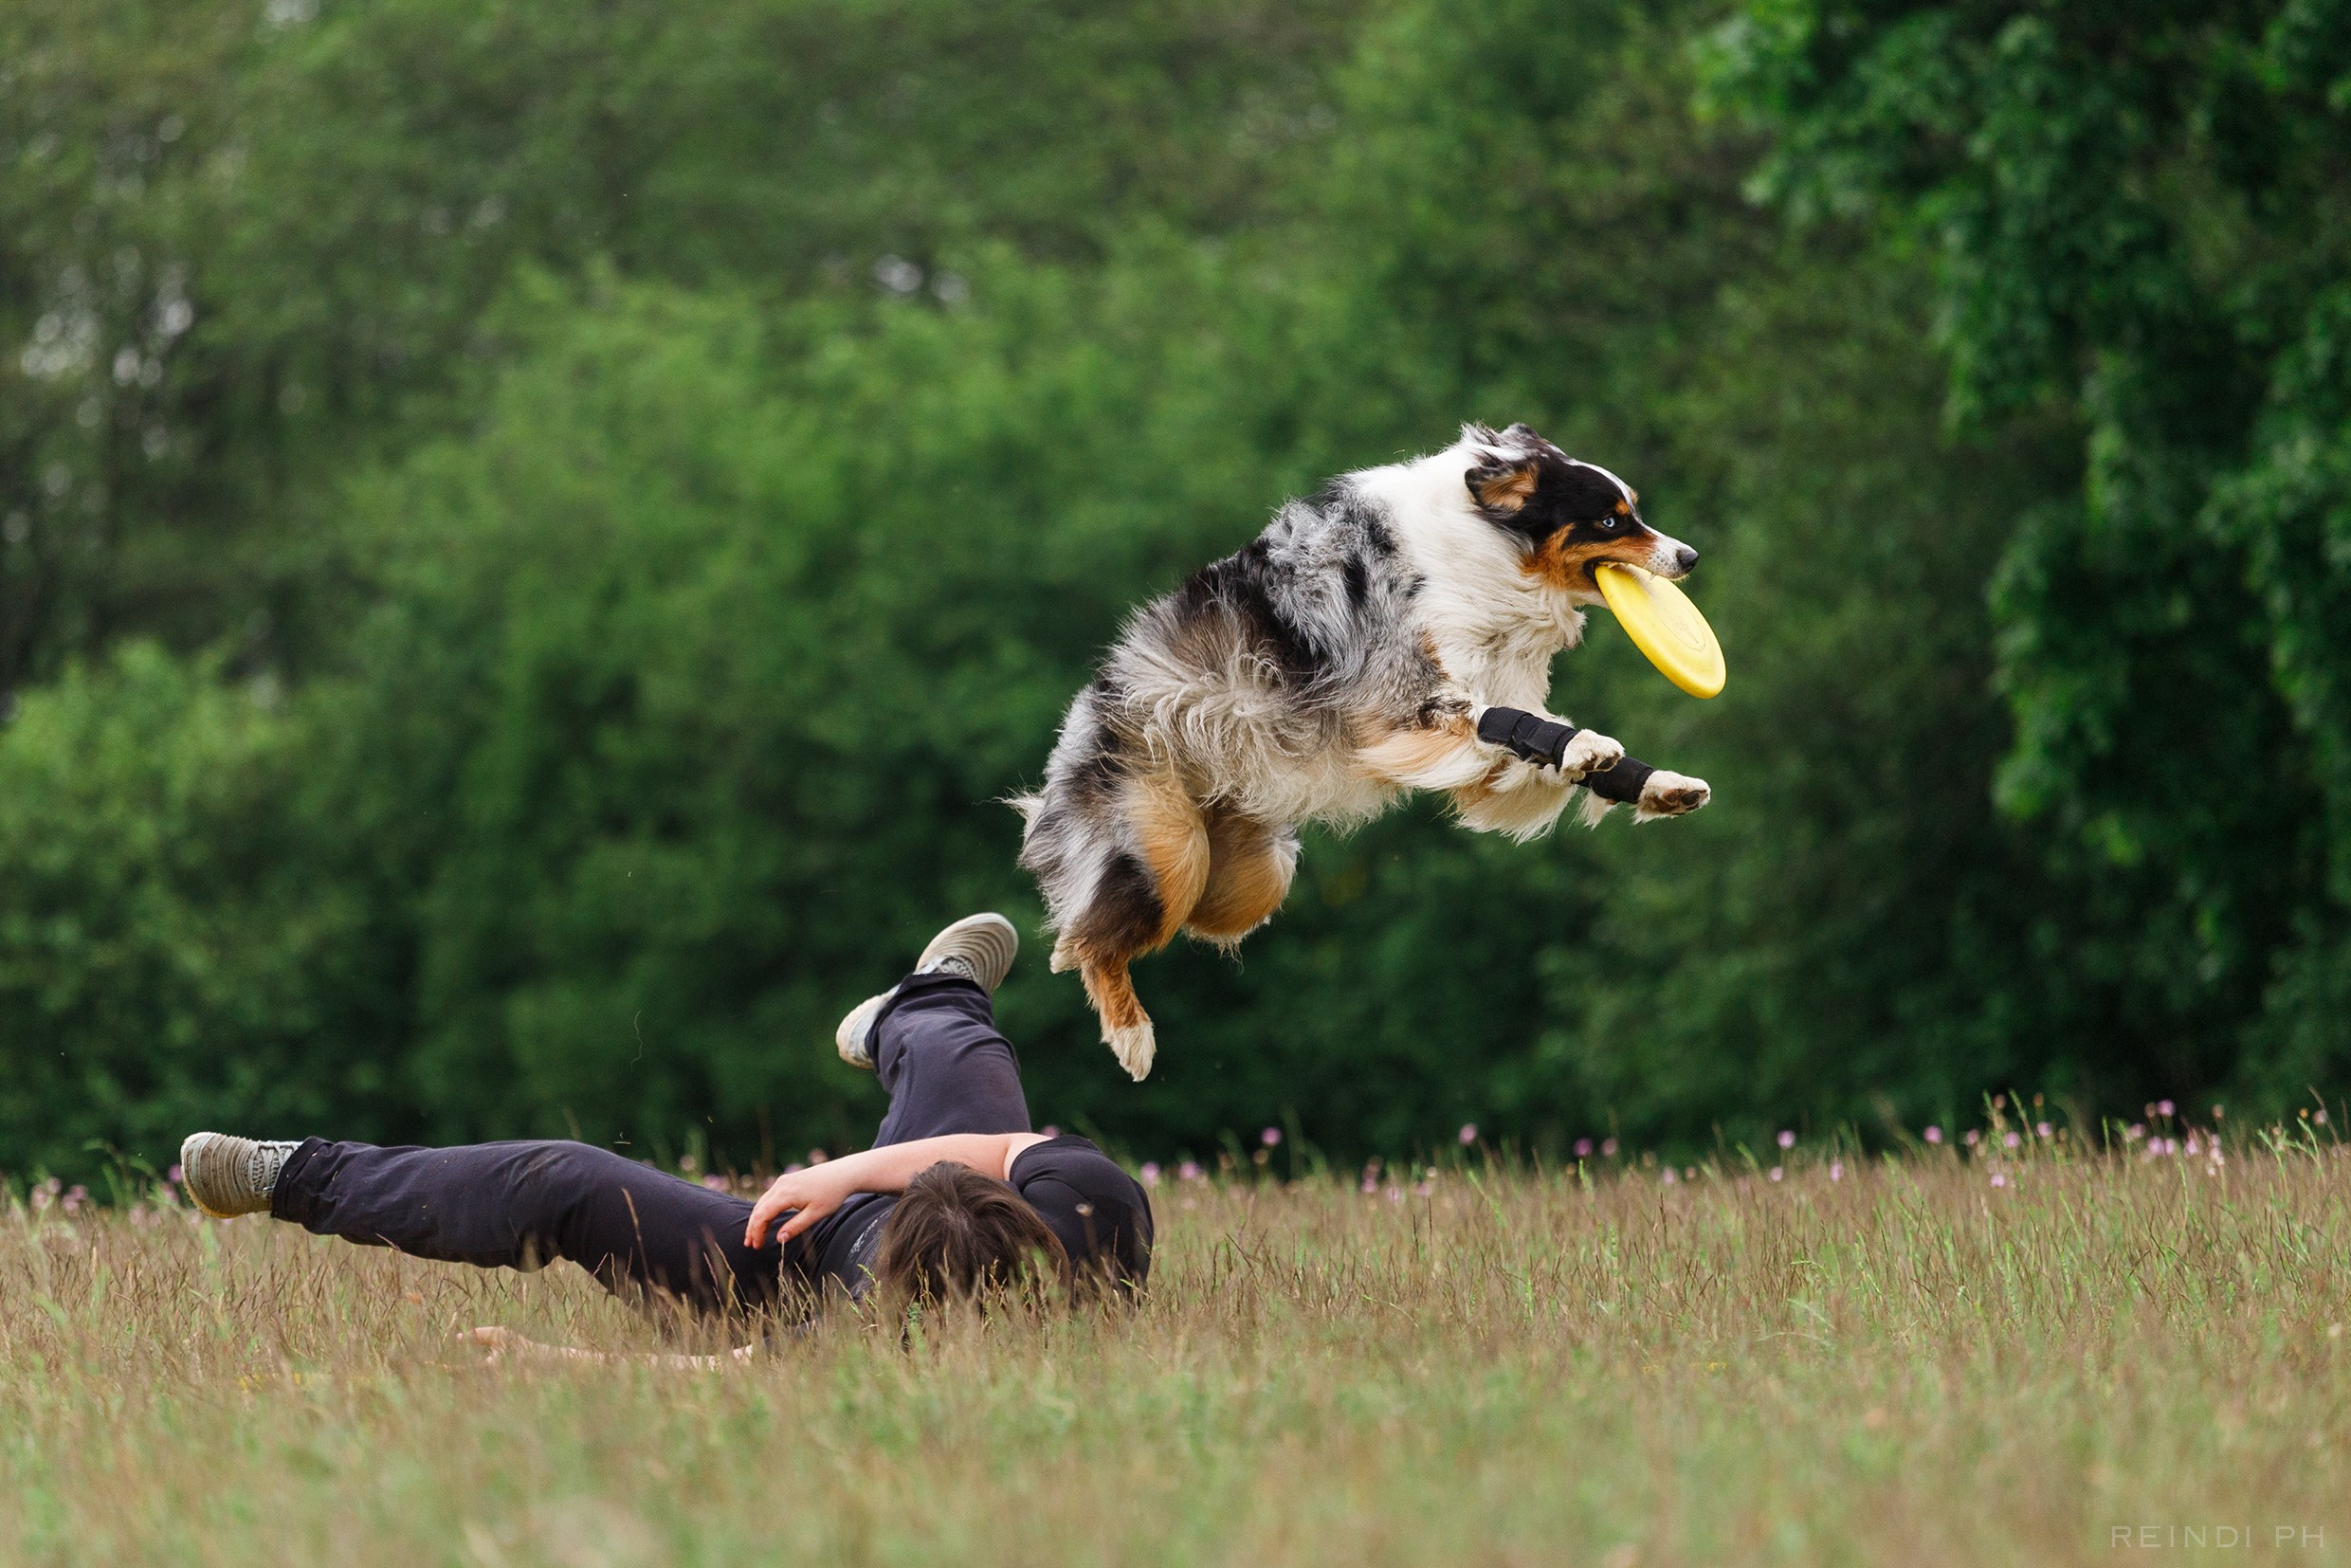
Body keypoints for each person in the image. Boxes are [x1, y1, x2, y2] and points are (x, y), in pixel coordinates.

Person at [177, 914, 1154, 1333]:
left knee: (559, 1177)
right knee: (965, 1061)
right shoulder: (1098, 1213)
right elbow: (990, 1147)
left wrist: (559, 1363)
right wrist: (847, 1174)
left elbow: (738, 1370)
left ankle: (289, 1175)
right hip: (844, 1206)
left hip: (774, 1271)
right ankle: (920, 1001)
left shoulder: (893, 1340)